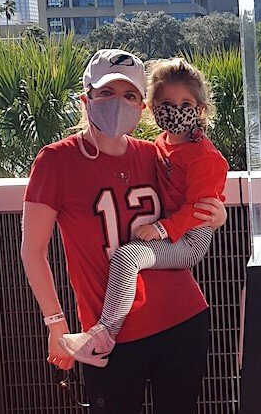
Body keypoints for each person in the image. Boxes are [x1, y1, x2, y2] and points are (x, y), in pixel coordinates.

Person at [21, 49, 228, 413]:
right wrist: (57, 326)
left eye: (130, 95)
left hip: (182, 319)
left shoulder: (153, 154)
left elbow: (196, 191)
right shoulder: (56, 160)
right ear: (86, 97)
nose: (118, 103)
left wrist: (215, 213)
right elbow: (32, 250)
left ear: (142, 106)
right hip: (108, 336)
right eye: (106, 93)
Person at [58, 57, 229, 367]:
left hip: (189, 239)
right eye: (166, 102)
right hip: (176, 236)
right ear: (151, 107)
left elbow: (199, 208)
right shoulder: (160, 145)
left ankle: (104, 335)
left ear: (200, 109)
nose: (175, 110)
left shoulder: (205, 157)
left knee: (127, 257)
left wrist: (162, 229)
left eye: (185, 103)